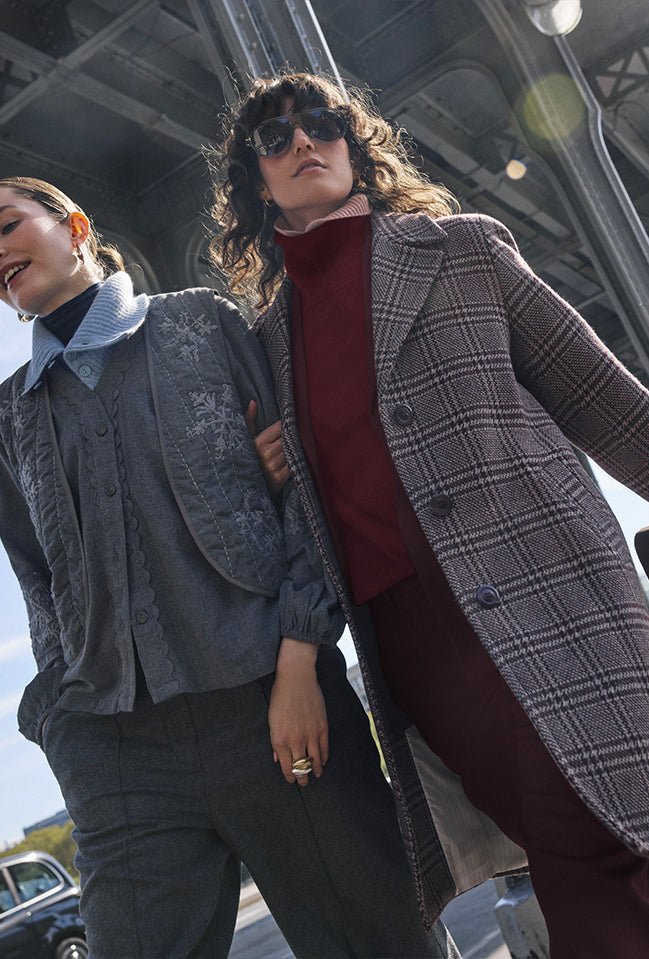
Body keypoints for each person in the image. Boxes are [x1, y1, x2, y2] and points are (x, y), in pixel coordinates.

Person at [209, 72, 649, 958]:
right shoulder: (263, 344)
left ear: (354, 144)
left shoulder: (461, 248)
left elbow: (607, 404)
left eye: (321, 122)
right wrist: (271, 469)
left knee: (596, 838)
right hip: (416, 646)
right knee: (579, 837)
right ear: (257, 183)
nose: (303, 141)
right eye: (275, 139)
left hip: (555, 593)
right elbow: (291, 513)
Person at [0, 176, 460, 959]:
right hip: (116, 750)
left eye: (8, 224)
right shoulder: (10, 415)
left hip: (274, 703)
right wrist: (63, 730)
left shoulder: (200, 323)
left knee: (386, 944)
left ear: (74, 227)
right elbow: (39, 581)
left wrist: (300, 661)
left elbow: (308, 492)